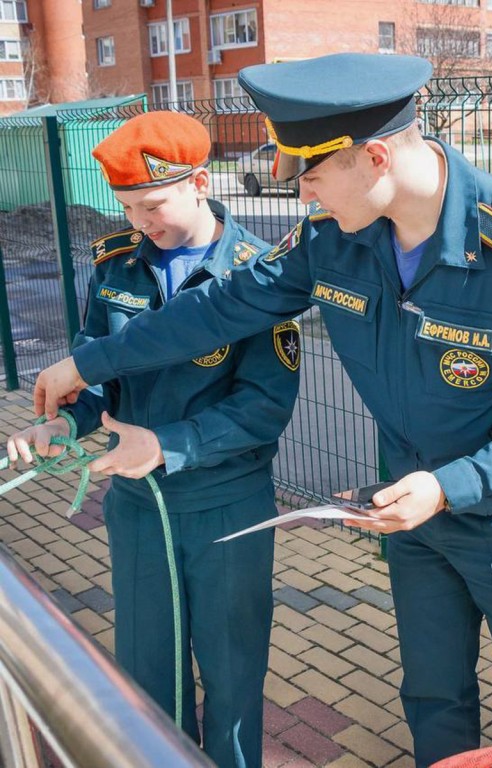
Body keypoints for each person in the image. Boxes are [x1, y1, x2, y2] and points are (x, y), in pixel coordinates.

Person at [31, 53, 492, 768]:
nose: (303, 193)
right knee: (434, 698)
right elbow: (217, 308)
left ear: (374, 158)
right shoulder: (331, 238)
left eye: (311, 175)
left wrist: (447, 487)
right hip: (408, 515)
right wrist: (83, 365)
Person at [7, 111, 301, 768]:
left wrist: (167, 444)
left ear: (200, 181)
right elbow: (99, 374)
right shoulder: (117, 265)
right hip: (138, 510)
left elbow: (262, 408)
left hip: (225, 508)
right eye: (130, 208)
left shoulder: (255, 276)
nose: (143, 223)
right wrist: (64, 422)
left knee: (231, 677)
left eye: (154, 204)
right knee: (145, 675)